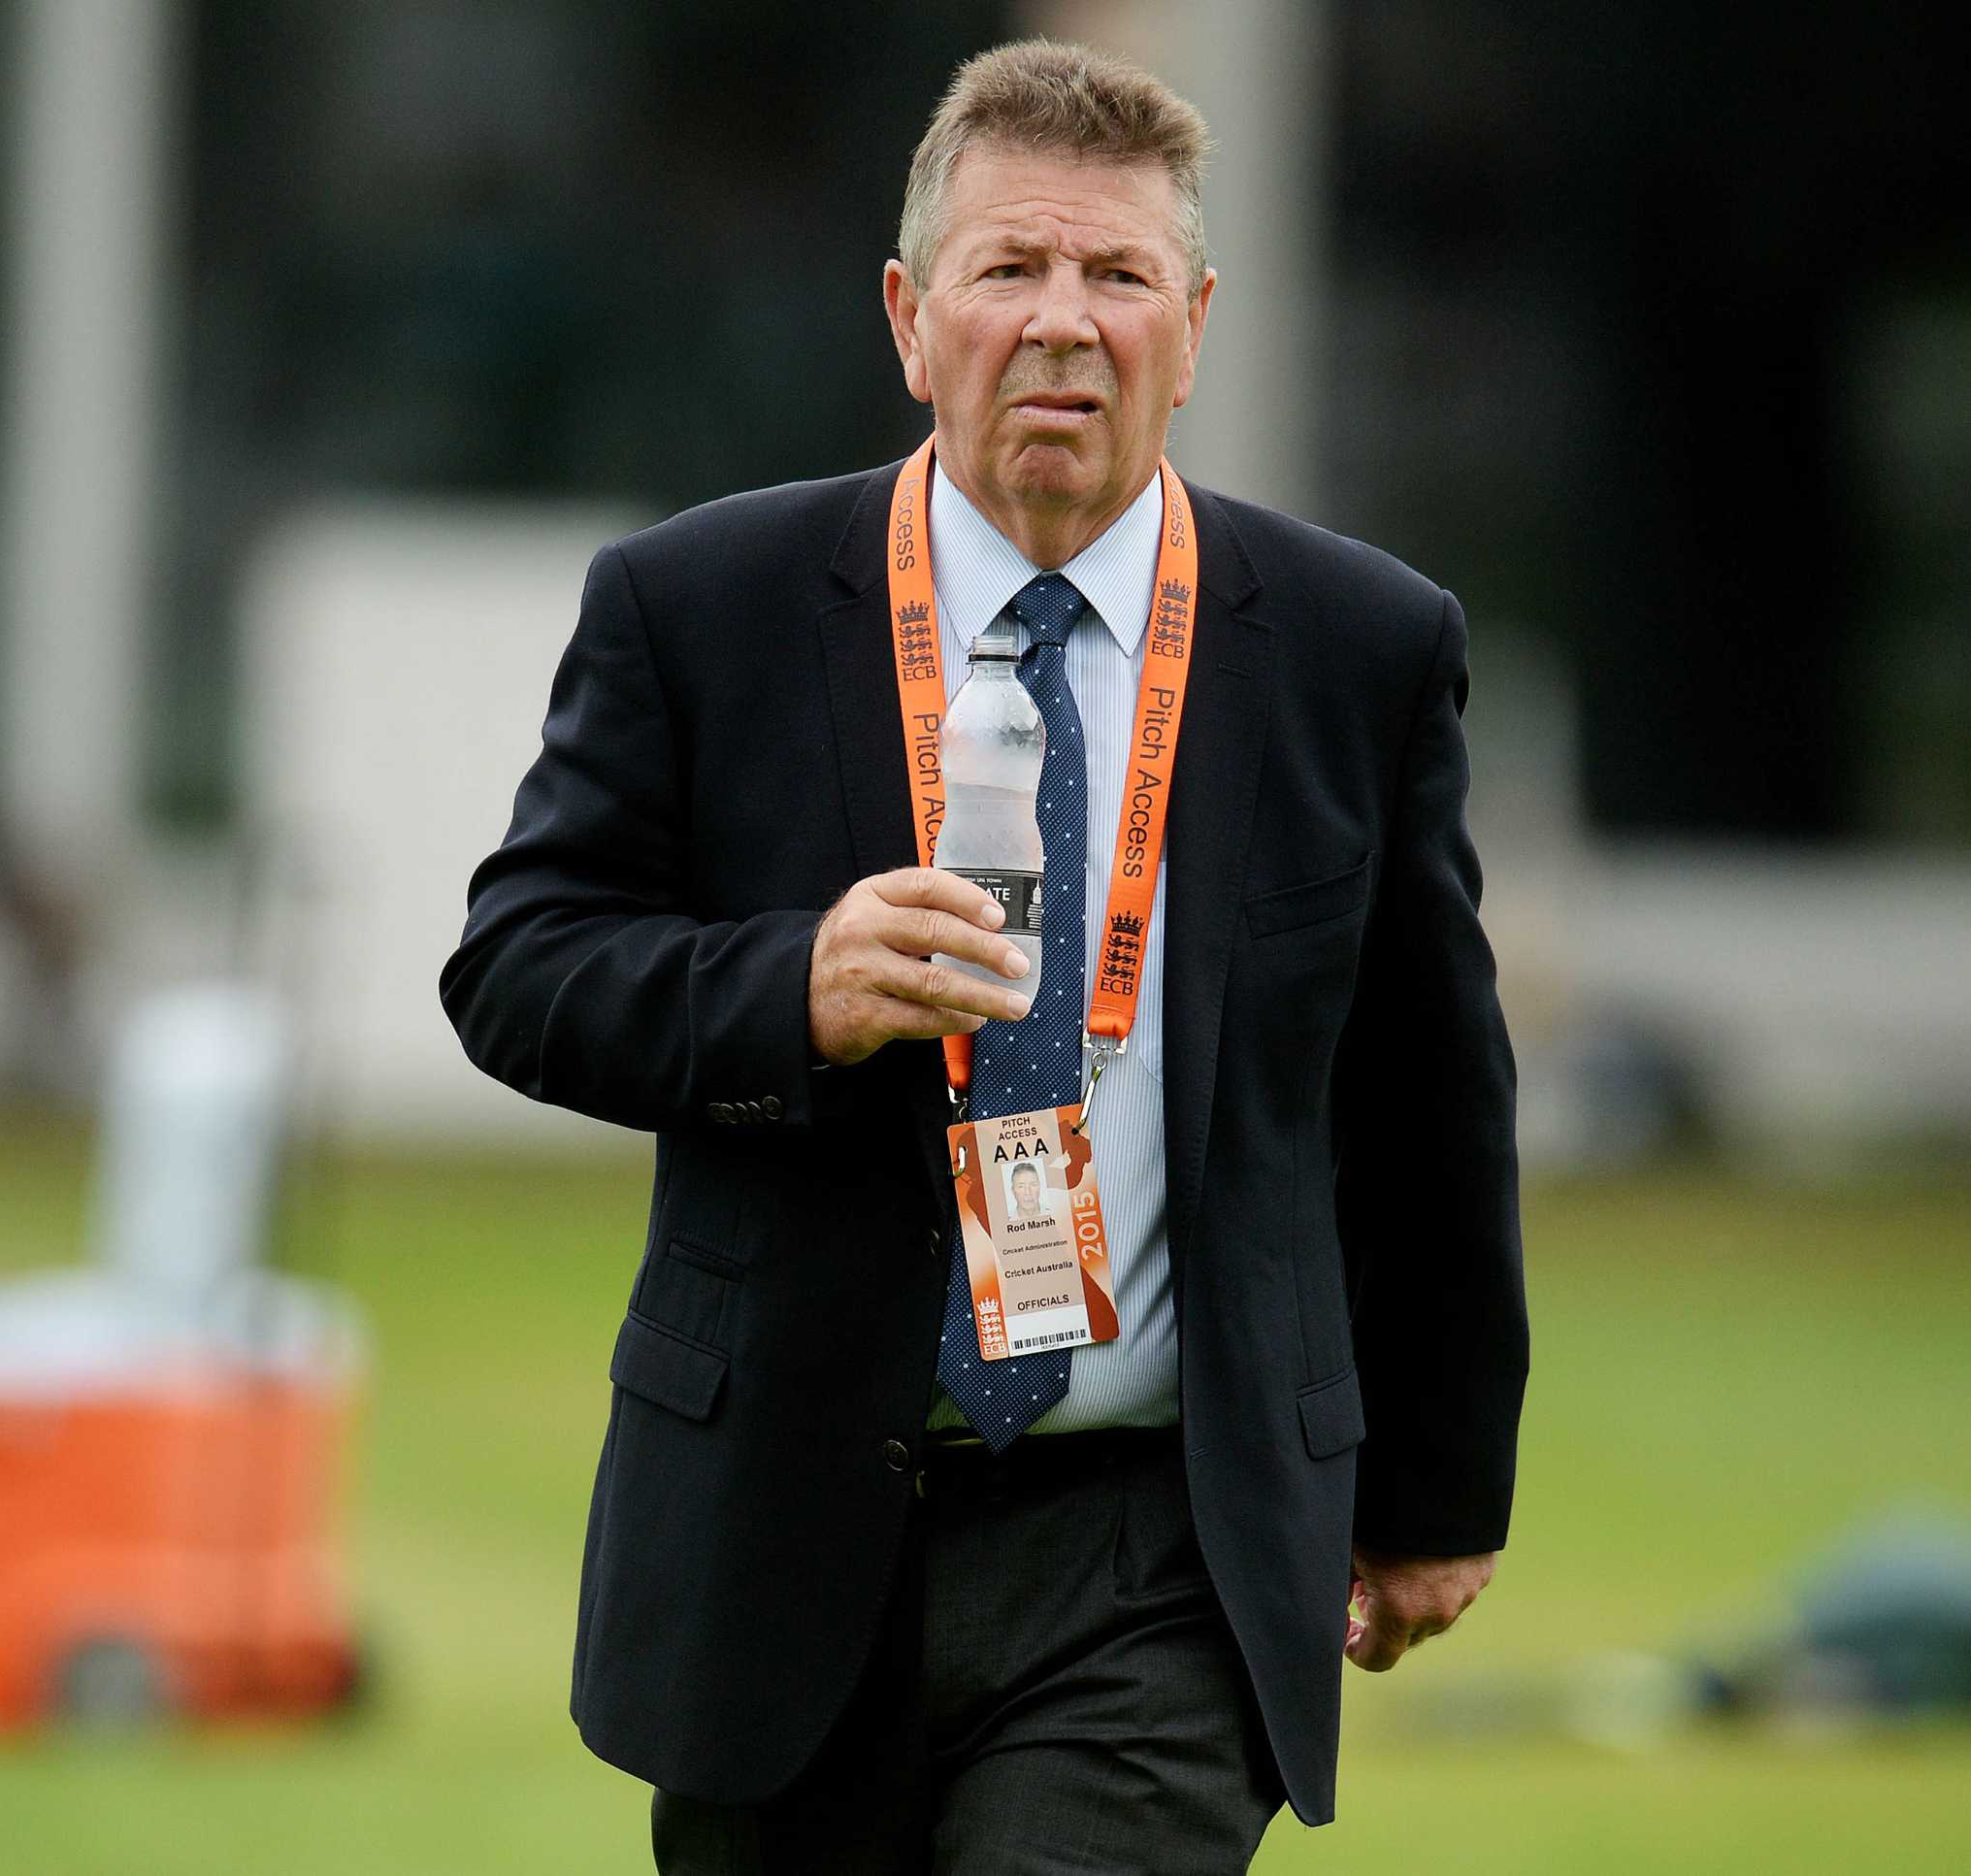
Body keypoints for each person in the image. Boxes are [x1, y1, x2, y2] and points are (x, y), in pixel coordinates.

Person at [442, 39, 1526, 1875]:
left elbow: (1434, 1088)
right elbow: (520, 966)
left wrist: (1436, 1482)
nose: (1062, 322)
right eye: (1009, 266)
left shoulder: (1359, 646)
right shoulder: (698, 607)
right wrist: (793, 988)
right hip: (784, 1529)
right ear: (908, 316)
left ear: (1195, 325)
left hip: (1157, 1547)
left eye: (1118, 275)